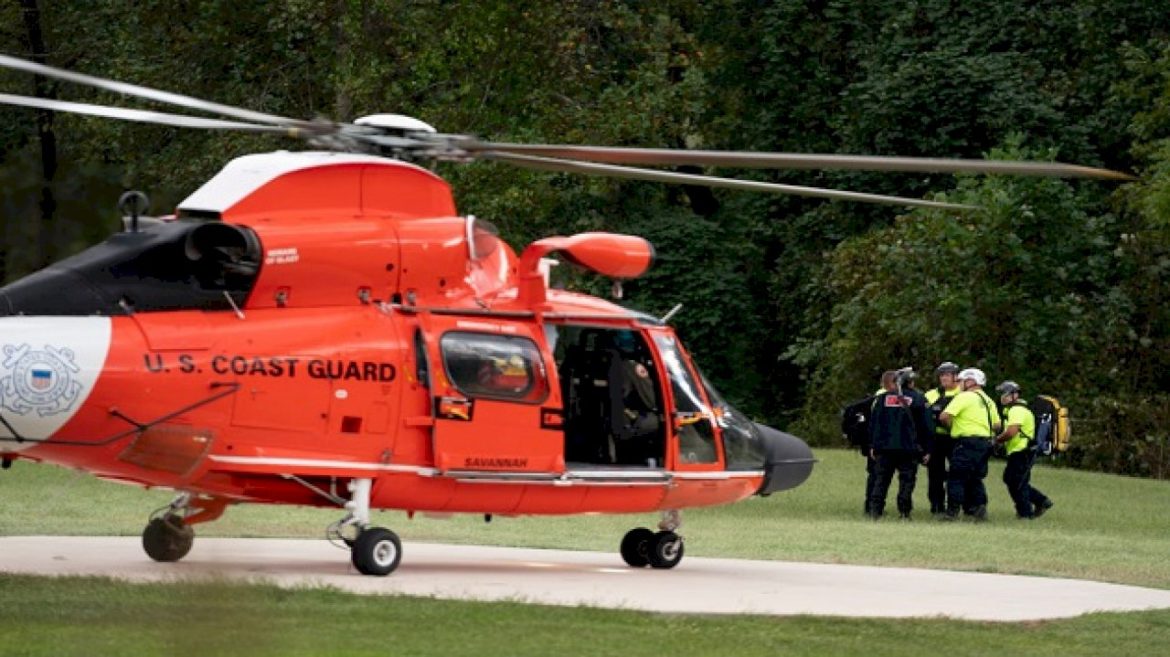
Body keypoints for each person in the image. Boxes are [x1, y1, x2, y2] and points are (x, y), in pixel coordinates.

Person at [865, 368, 933, 520]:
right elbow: (926, 426)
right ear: (910, 382)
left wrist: (873, 445)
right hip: (908, 449)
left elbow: (875, 424)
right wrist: (927, 449)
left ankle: (875, 511)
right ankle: (904, 512)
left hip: (884, 448)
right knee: (907, 481)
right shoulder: (919, 399)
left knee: (881, 480)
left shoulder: (882, 399)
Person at [938, 367, 1001, 521]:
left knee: (956, 477)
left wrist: (953, 427)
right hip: (984, 443)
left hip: (966, 442)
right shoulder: (988, 400)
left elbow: (944, 416)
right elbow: (997, 425)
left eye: (961, 381)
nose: (959, 384)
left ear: (971, 381)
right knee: (974, 478)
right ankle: (980, 509)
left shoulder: (964, 397)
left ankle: (952, 512)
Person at [994, 381, 1054, 519]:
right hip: (1019, 451)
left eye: (1006, 394)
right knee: (1014, 480)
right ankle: (1041, 502)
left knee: (1016, 482)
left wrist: (997, 441)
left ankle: (1026, 513)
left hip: (1022, 451)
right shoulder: (1013, 410)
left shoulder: (1017, 410)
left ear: (1015, 395)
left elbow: (1011, 432)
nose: (1002, 397)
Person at [923, 361, 962, 515]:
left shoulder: (963, 394)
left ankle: (959, 505)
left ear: (956, 377)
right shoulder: (931, 395)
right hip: (935, 439)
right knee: (935, 474)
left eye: (947, 374)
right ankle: (937, 506)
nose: (944, 378)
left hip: (956, 438)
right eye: (941, 375)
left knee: (959, 473)